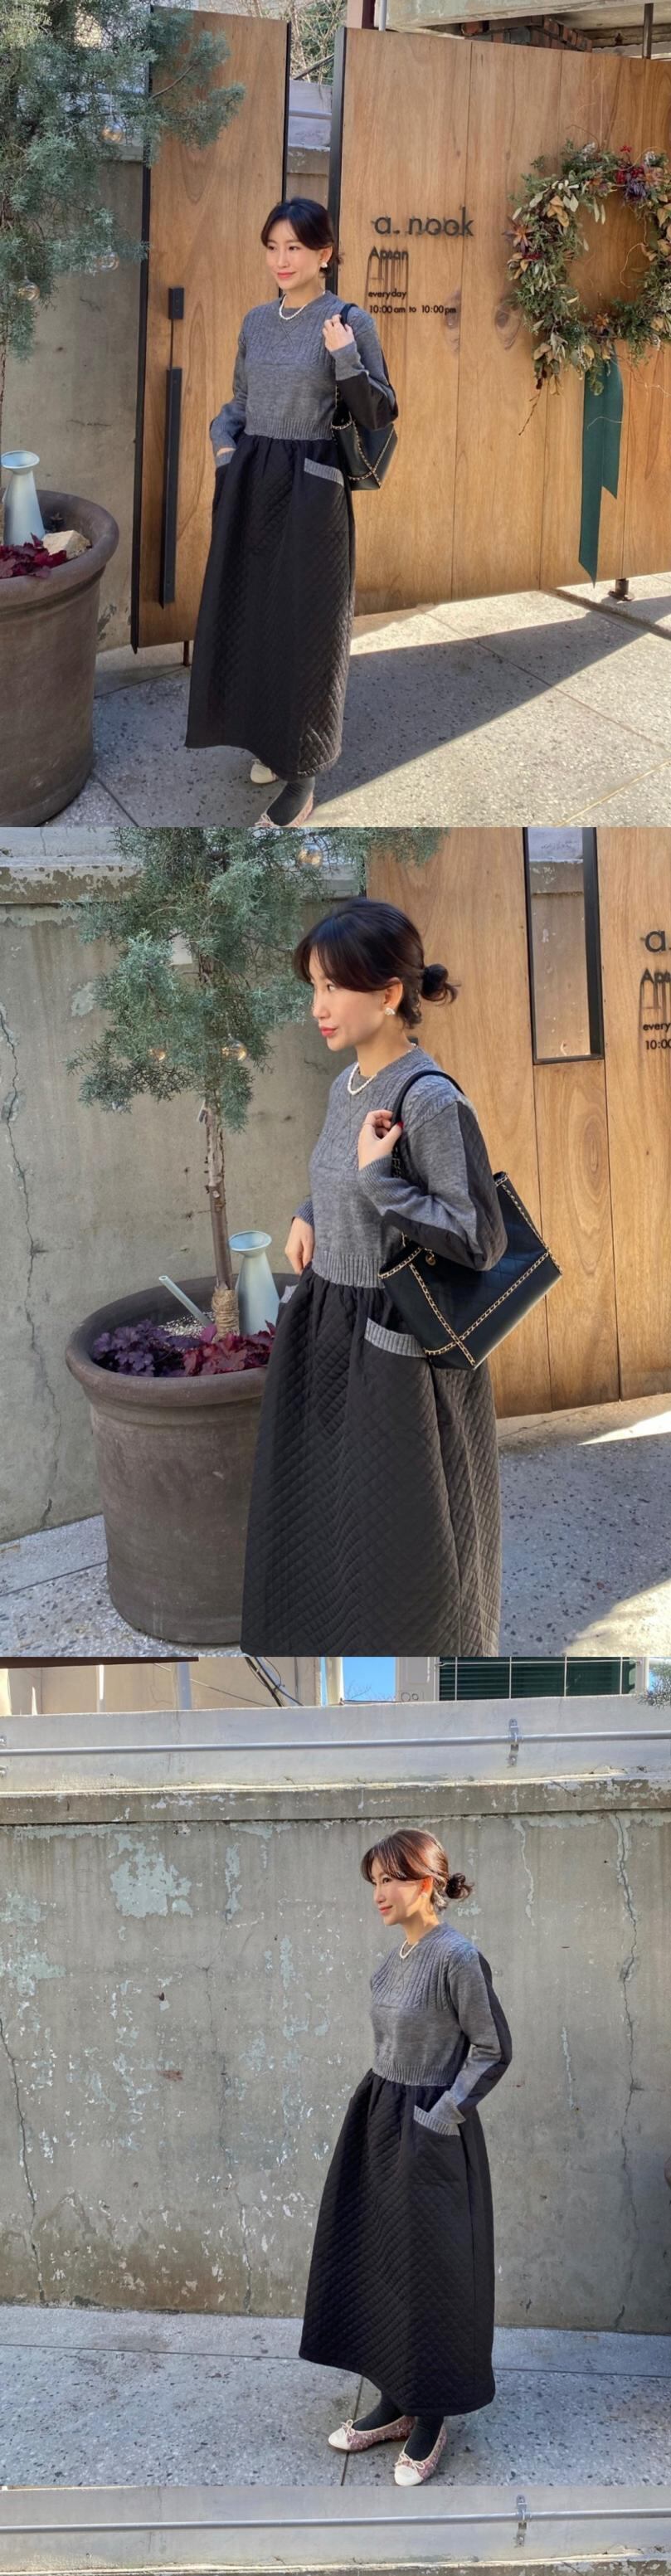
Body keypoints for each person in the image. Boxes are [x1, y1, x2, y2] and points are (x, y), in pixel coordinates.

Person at [240, 897, 506, 1653]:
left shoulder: (430, 1099)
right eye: (313, 987)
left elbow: (478, 1238)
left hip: (397, 1347)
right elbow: (345, 1174)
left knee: (403, 1549)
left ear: (389, 993)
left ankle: (431, 1691)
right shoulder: (347, 1086)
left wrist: (378, 1180)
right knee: (332, 1524)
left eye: (332, 987)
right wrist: (310, 1212)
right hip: (329, 1325)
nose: (316, 1008)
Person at [299, 1827, 512, 2485]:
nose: (378, 1894)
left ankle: (431, 2415)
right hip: (378, 2120)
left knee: (434, 2275)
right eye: (373, 1883)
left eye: (389, 1880)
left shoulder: (457, 1957)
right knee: (382, 2264)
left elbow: (492, 2048)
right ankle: (394, 2401)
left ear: (425, 1882)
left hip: (429, 2129)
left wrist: (440, 2117)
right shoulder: (396, 1957)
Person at [185, 198, 396, 825]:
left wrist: (345, 356)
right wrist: (225, 446)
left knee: (307, 629)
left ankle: (302, 778)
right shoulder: (256, 321)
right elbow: (242, 399)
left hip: (312, 490)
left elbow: (380, 411)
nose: (281, 259)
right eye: (272, 247)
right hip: (251, 482)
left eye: (295, 248)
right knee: (253, 615)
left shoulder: (349, 320)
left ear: (323, 254)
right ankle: (268, 744)